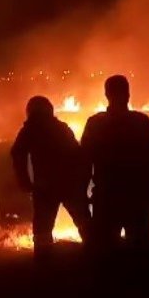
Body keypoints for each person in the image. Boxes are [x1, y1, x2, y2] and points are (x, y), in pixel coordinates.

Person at [80, 75, 149, 253]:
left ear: (106, 94)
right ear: (128, 94)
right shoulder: (141, 121)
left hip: (107, 197)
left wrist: (82, 194)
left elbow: (84, 161)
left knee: (107, 253)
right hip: (137, 196)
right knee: (139, 250)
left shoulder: (95, 123)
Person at [10, 95, 94, 257]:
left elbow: (17, 153)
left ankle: (44, 264)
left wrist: (25, 182)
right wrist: (81, 183)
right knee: (84, 223)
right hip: (69, 184)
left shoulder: (30, 130)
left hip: (45, 186)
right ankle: (95, 258)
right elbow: (78, 155)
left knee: (43, 229)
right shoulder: (61, 127)